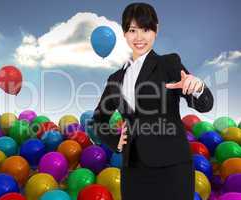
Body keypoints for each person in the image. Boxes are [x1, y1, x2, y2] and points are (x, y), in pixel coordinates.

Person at [91, 2, 214, 200]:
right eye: (132, 30)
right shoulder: (115, 79)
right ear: (124, 33)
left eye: (146, 29)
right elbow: (98, 120)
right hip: (133, 172)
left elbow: (205, 104)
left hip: (172, 168)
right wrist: (116, 141)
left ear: (156, 30)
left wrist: (197, 87)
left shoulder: (169, 64)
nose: (139, 37)